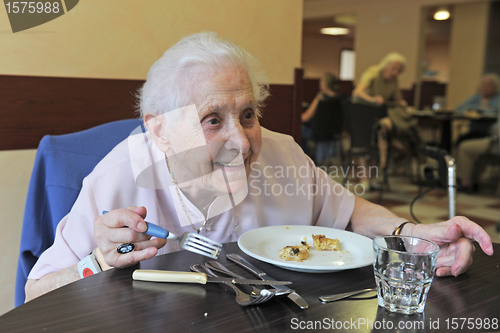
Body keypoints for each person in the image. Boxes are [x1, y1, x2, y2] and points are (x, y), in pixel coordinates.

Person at [25, 32, 493, 302]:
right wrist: (99, 261)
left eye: (248, 115)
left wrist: (411, 234)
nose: (243, 141)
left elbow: (348, 212)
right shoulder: (115, 180)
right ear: (161, 131)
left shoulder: (281, 152)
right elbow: (36, 292)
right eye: (213, 121)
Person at [352, 53, 420, 179]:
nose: (395, 73)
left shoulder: (394, 81)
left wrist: (401, 103)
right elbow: (357, 92)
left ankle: (379, 170)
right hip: (364, 114)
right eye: (393, 69)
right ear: (385, 66)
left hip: (379, 116)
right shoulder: (372, 72)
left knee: (386, 132)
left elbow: (397, 98)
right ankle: (364, 177)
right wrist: (373, 99)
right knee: (369, 137)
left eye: (398, 71)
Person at [301, 72, 342, 164]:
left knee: (300, 130)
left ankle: (303, 160)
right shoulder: (340, 99)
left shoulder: (321, 98)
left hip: (317, 133)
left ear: (325, 85)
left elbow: (305, 117)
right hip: (334, 133)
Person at [455, 73, 500, 147]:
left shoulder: (498, 99)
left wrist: (485, 110)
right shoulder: (477, 97)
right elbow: (459, 109)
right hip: (474, 131)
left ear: (495, 87)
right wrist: (478, 109)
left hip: (490, 132)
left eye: (489, 85)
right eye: (483, 85)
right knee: (460, 140)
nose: (485, 87)